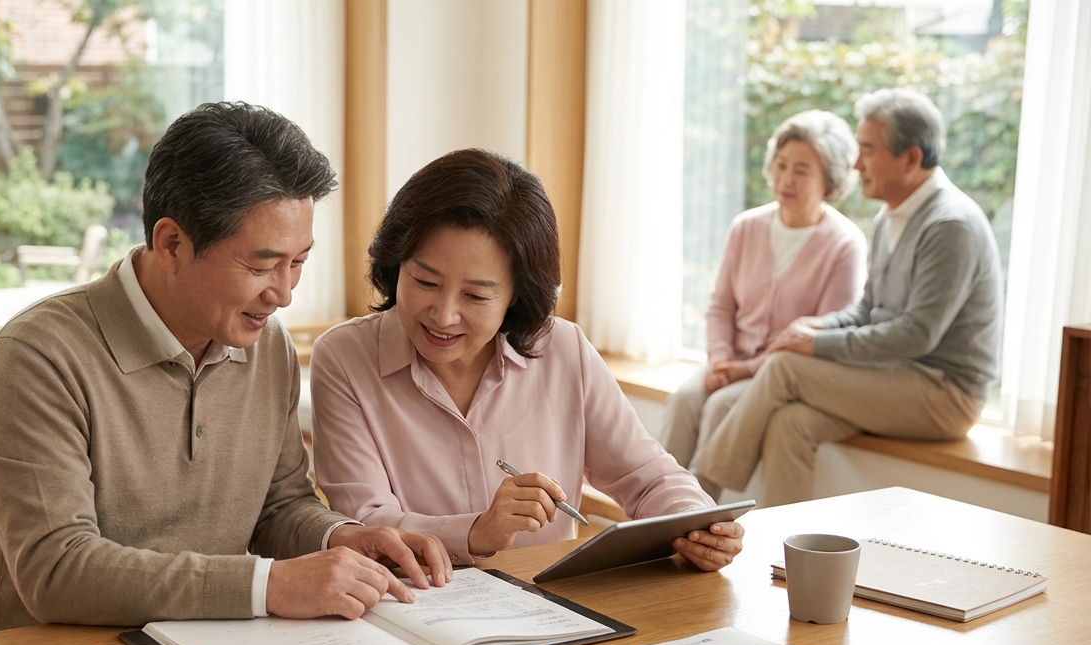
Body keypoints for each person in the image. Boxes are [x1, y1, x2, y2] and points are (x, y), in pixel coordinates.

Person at [0, 103, 451, 635]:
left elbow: (278, 507)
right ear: (172, 244)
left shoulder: (268, 348)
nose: (284, 294)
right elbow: (56, 570)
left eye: (299, 262)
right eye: (262, 265)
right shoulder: (39, 354)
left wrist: (340, 537)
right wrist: (269, 585)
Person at [309, 148, 743, 568]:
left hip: (547, 609)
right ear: (395, 264)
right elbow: (364, 523)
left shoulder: (563, 349)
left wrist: (698, 526)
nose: (443, 315)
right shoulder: (345, 358)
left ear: (517, 295)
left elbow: (647, 477)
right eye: (424, 281)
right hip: (409, 608)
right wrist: (477, 531)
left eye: (476, 295)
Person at [692, 88, 1003, 507]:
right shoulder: (889, 216)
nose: (856, 164)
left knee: (785, 366)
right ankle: (787, 557)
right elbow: (866, 309)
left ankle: (692, 509)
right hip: (896, 377)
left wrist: (816, 343)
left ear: (911, 158)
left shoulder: (950, 225)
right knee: (790, 422)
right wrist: (817, 326)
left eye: (867, 151)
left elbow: (918, 334)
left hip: (944, 394)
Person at [659, 110, 866, 496]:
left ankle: (696, 528)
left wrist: (743, 369)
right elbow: (720, 306)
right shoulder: (746, 226)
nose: (786, 178)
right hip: (729, 360)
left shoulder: (845, 244)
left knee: (721, 406)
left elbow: (819, 340)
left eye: (802, 170)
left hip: (782, 374)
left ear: (830, 180)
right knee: (684, 399)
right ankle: (649, 512)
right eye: (782, 165)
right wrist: (721, 359)